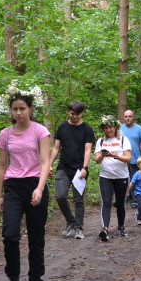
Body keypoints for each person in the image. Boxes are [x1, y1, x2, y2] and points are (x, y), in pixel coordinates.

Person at [0, 82, 51, 281]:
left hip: (35, 183)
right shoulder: (5, 134)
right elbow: (2, 165)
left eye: (22, 109)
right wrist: (0, 195)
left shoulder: (40, 131)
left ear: (30, 109)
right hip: (13, 187)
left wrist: (39, 187)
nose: (18, 113)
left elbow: (45, 162)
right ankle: (13, 280)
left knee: (36, 237)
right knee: (9, 234)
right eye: (15, 109)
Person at [50, 100, 95, 240]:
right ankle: (70, 221)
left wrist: (85, 167)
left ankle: (79, 228)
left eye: (78, 114)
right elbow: (56, 147)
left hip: (79, 169)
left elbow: (88, 150)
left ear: (82, 113)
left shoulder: (87, 129)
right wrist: (49, 164)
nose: (75, 116)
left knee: (78, 199)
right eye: (72, 113)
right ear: (68, 112)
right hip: (63, 167)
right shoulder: (62, 127)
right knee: (60, 196)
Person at [94, 115, 132, 240]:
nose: (108, 130)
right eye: (105, 128)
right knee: (106, 202)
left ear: (115, 127)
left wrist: (116, 155)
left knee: (120, 203)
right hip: (106, 176)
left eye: (110, 127)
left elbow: (128, 158)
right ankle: (105, 229)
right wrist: (103, 155)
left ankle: (121, 226)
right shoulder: (100, 141)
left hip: (121, 176)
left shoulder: (123, 140)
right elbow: (97, 161)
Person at [120, 109, 141, 208]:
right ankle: (125, 198)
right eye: (126, 116)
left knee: (134, 179)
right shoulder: (119, 128)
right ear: (124, 118)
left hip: (135, 159)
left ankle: (134, 199)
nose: (128, 118)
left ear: (134, 117)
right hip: (121, 158)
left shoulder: (139, 128)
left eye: (130, 116)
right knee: (123, 179)